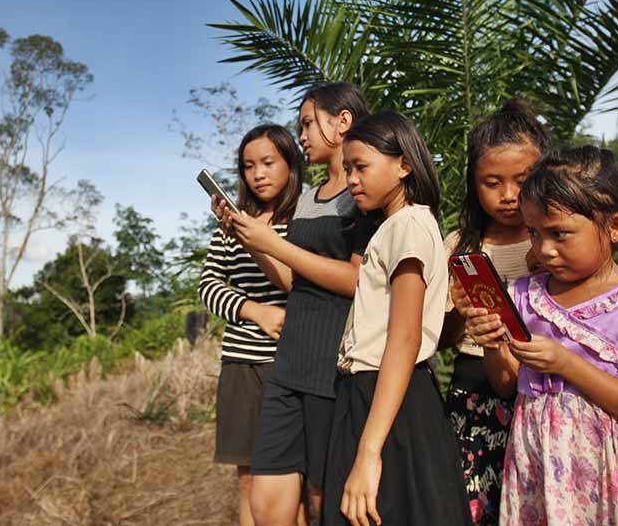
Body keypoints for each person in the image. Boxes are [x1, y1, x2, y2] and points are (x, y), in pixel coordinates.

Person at [465, 145, 618, 525]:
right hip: (544, 482)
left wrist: (568, 365)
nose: (544, 249)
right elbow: (507, 386)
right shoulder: (525, 298)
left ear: (615, 227)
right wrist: (494, 345)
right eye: (533, 233)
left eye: (559, 233)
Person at [218, 82, 371, 526]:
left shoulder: (362, 195)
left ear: (342, 122)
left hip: (333, 358)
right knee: (266, 497)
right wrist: (252, 239)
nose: (301, 134)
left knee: (323, 496)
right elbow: (292, 280)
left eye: (307, 123)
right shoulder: (307, 199)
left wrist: (275, 245)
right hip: (291, 360)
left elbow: (358, 280)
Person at [323, 110, 470, 526]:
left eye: (362, 167)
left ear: (404, 164)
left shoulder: (408, 225)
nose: (351, 179)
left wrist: (369, 454)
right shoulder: (391, 228)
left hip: (388, 397)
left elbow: (404, 338)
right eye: (348, 168)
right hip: (373, 394)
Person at [439, 99, 551, 525]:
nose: (508, 195)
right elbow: (445, 339)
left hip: (540, 393)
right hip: (472, 395)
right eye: (492, 182)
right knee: (475, 507)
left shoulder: (555, 244)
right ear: (474, 184)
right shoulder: (460, 246)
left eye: (522, 180)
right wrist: (459, 313)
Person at [199, 124, 304, 526]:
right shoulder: (230, 227)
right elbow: (209, 286)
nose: (257, 174)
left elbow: (302, 279)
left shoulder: (305, 220)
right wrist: (253, 310)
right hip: (242, 366)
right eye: (248, 166)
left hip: (292, 364)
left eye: (267, 163)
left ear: (290, 164)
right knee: (248, 481)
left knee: (293, 481)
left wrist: (253, 238)